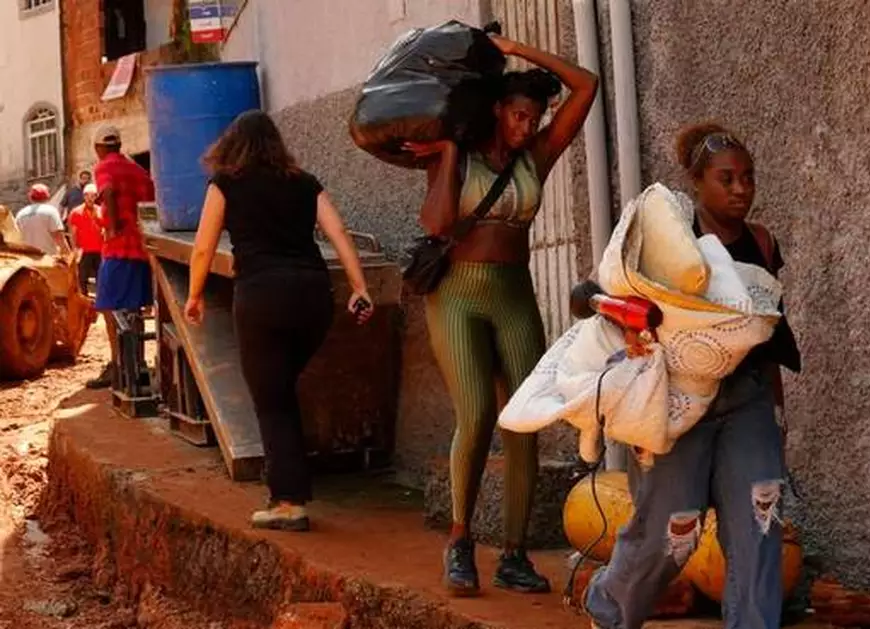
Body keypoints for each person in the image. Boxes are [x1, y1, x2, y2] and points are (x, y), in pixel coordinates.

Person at [581, 124, 802, 629]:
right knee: (672, 530)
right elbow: (612, 297)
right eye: (726, 179)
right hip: (679, 405)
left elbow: (766, 336)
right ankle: (610, 609)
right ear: (697, 182)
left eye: (748, 178)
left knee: (759, 519)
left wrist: (776, 413)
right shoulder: (670, 241)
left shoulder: (762, 244)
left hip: (747, 403)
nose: (741, 189)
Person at [404, 33, 598, 597]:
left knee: (527, 424)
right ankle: (460, 543)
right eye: (517, 116)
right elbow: (438, 224)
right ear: (496, 111)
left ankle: (514, 554)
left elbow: (586, 86)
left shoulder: (534, 156)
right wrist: (444, 154)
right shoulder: (458, 154)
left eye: (533, 119)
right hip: (457, 297)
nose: (525, 128)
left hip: (514, 295)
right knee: (476, 414)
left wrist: (520, 49)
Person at [184, 110, 375, 532]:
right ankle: (291, 485)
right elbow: (338, 233)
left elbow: (202, 248)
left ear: (233, 145)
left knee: (272, 401)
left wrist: (195, 295)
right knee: (281, 391)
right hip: (313, 298)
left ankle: (288, 501)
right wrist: (360, 287)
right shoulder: (305, 183)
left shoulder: (226, 184)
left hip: (262, 300)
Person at [86, 126, 156, 390]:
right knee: (133, 311)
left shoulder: (105, 166)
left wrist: (112, 225)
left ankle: (118, 366)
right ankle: (137, 364)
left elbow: (109, 191)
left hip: (118, 249)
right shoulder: (138, 171)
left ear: (99, 148)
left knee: (110, 309)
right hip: (141, 250)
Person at [68, 183, 104, 296]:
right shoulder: (76, 212)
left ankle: (101, 299)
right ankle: (83, 297)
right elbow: (72, 232)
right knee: (82, 276)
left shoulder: (101, 211)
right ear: (83, 196)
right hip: (83, 249)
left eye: (93, 195)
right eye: (87, 195)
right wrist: (74, 249)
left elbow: (105, 228)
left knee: (101, 276)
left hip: (99, 249)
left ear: (96, 196)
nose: (90, 198)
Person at [15, 183, 70, 255]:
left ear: (30, 197)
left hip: (27, 259)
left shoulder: (21, 214)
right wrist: (68, 255)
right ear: (47, 197)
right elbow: (59, 237)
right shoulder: (50, 211)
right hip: (47, 258)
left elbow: (15, 238)